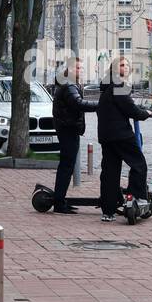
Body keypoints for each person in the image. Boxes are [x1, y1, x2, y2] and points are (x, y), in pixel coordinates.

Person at [96, 57, 152, 222]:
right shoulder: (118, 85)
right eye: (122, 65)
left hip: (106, 135)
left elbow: (121, 106)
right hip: (121, 134)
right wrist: (145, 114)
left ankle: (108, 210)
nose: (126, 67)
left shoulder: (107, 86)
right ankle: (137, 198)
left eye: (128, 65)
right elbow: (130, 109)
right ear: (114, 68)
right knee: (139, 164)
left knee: (110, 172)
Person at [50, 58, 99, 214]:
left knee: (67, 165)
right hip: (68, 129)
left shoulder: (69, 84)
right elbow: (78, 104)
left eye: (82, 68)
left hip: (67, 128)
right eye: (78, 68)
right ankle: (59, 202)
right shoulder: (69, 85)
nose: (81, 70)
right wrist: (100, 105)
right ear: (70, 69)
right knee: (66, 166)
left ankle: (61, 199)